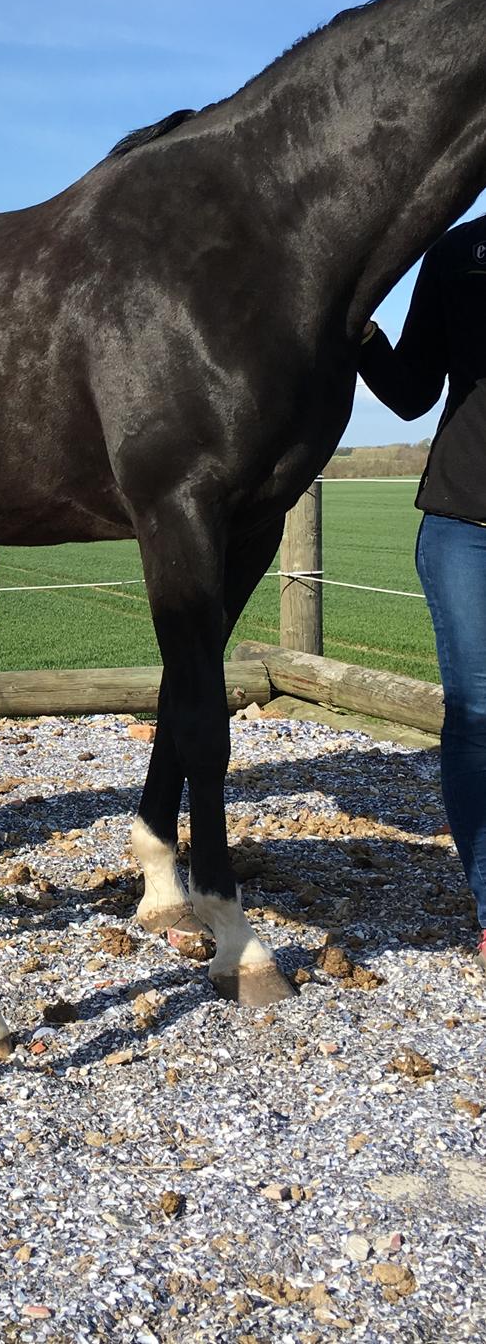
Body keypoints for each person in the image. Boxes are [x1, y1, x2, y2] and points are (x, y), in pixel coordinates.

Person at [359, 211, 486, 971]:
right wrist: (359, 333)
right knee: (474, 718)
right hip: (462, 524)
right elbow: (411, 394)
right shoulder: (459, 252)